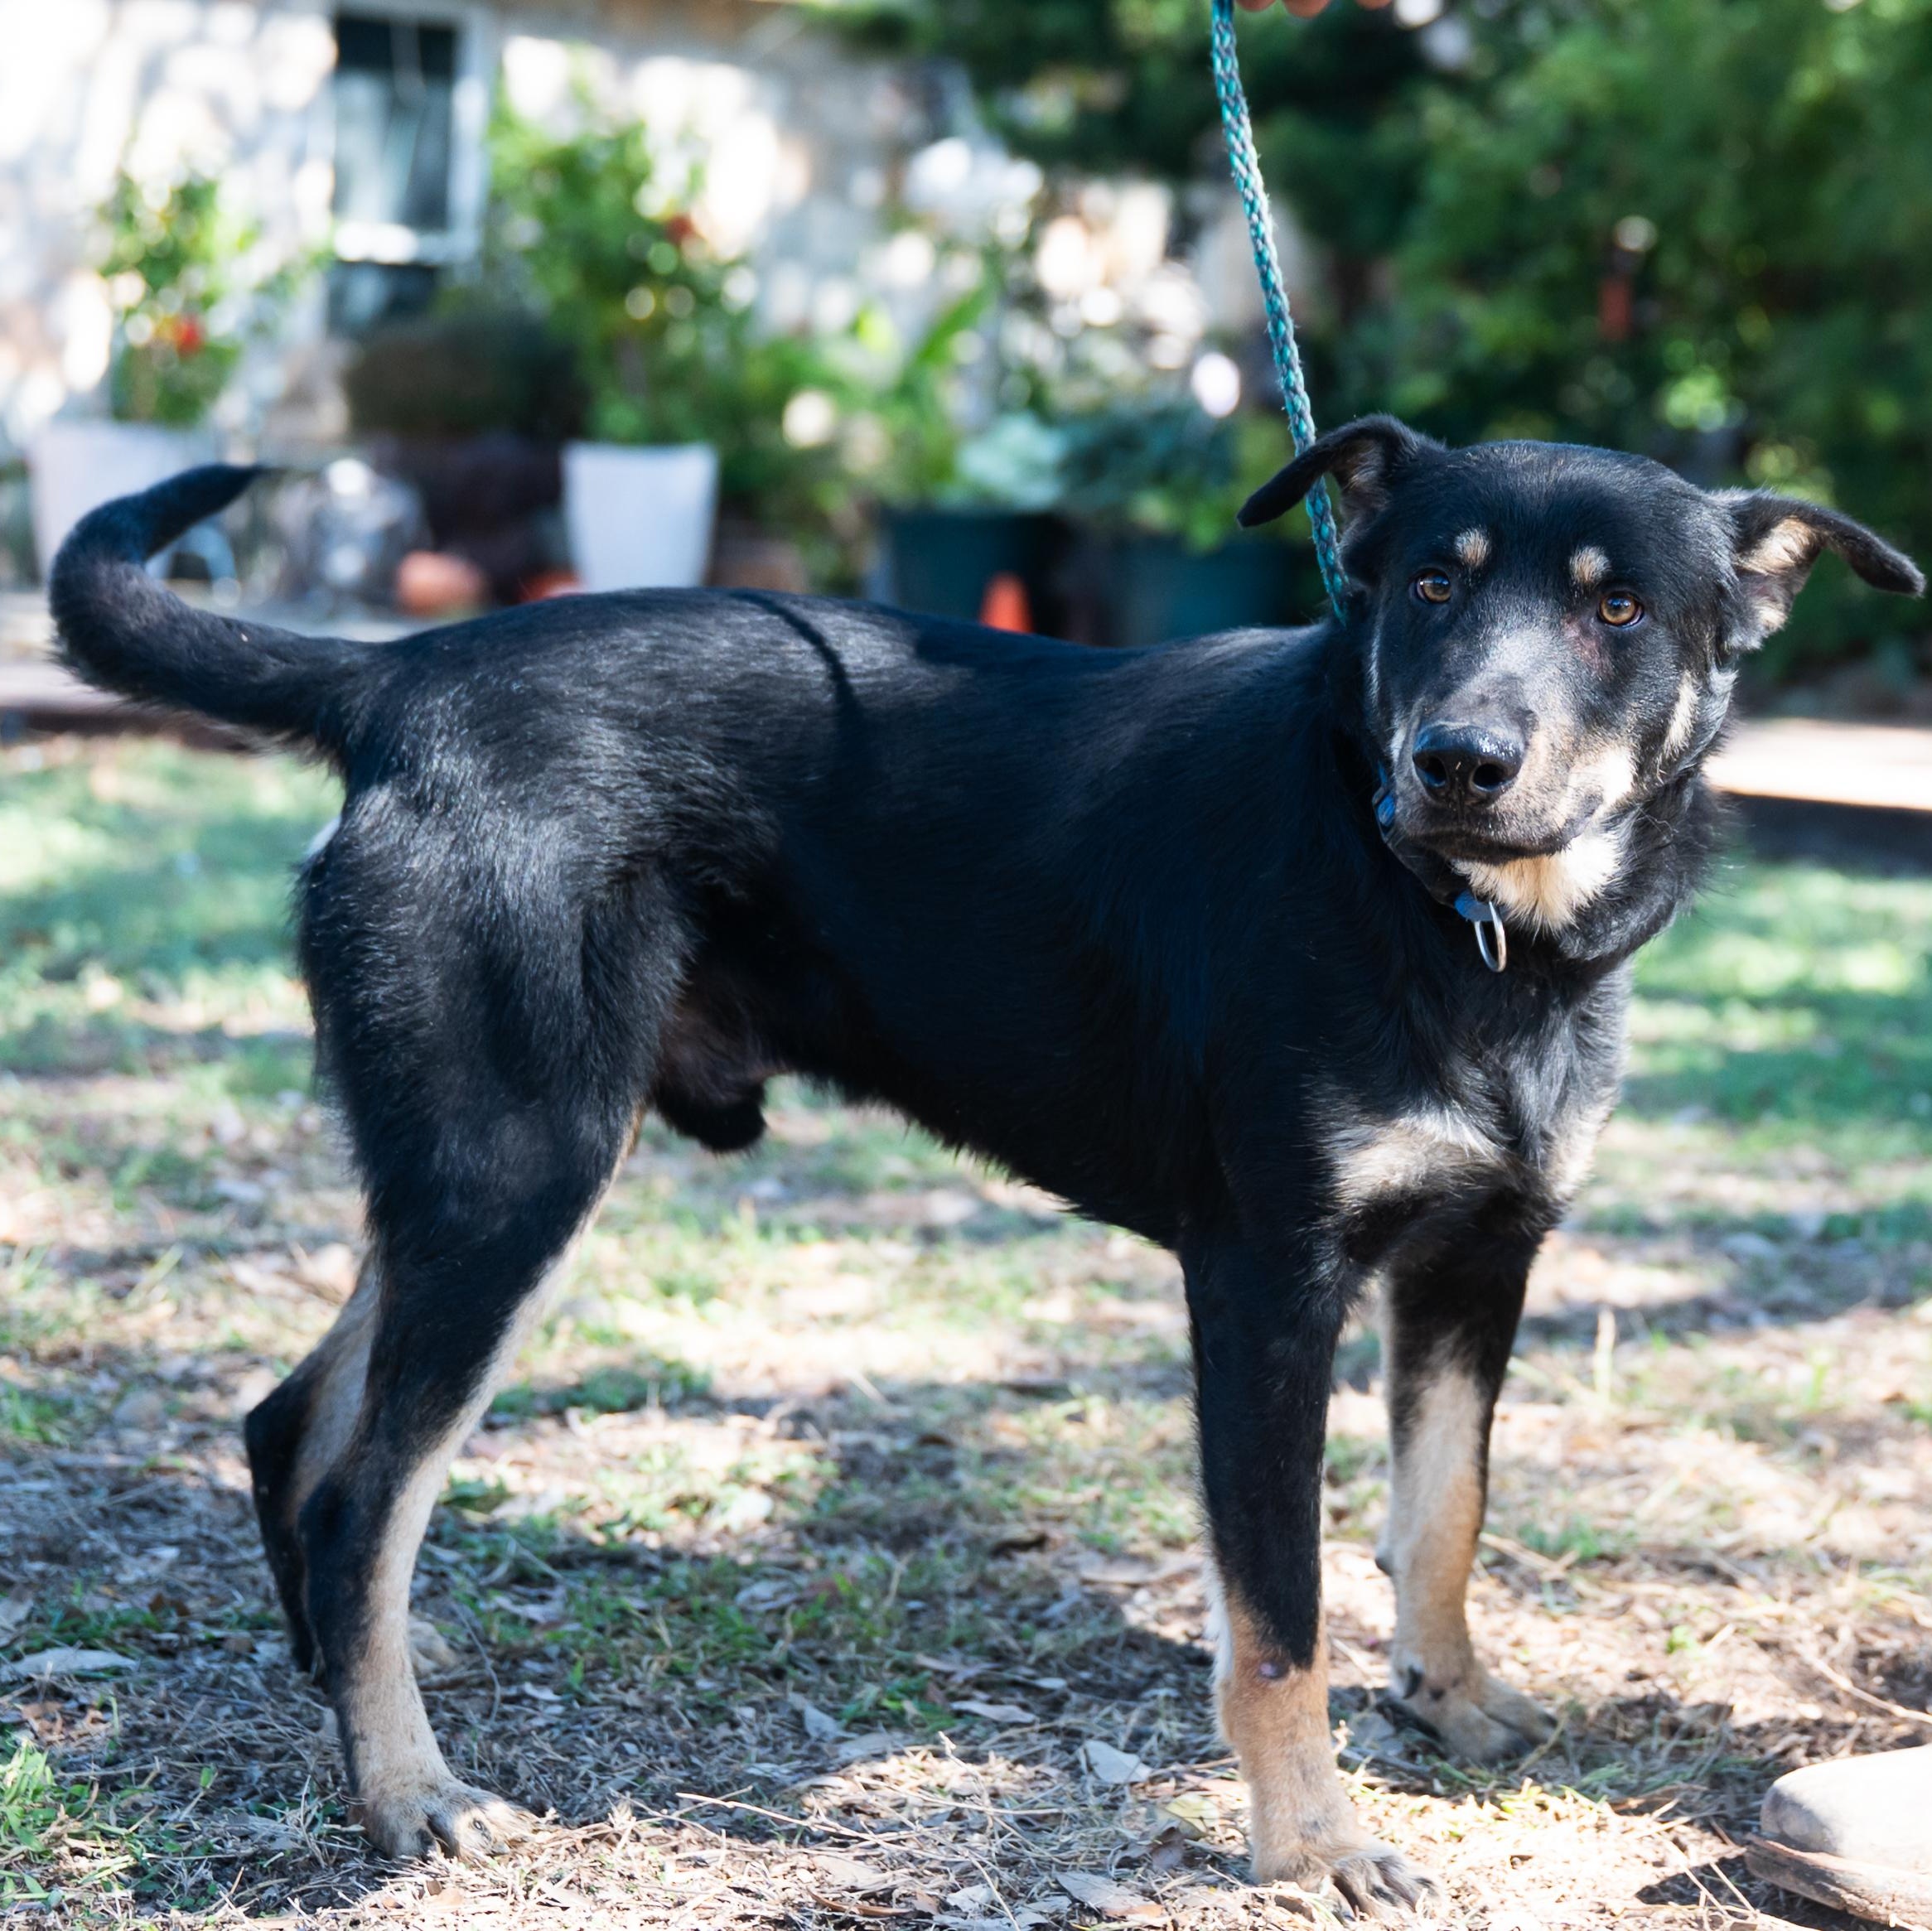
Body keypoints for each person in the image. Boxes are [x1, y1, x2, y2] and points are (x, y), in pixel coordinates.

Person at [1228, 5, 1931, 1919]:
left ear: (1731, 627)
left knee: (1473, 1274)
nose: (1482, 710)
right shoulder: (1330, 859)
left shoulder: (1593, 922)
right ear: (1371, 564)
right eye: (1443, 593)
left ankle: (1434, 1629)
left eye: (1609, 616)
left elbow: (1465, 1299)